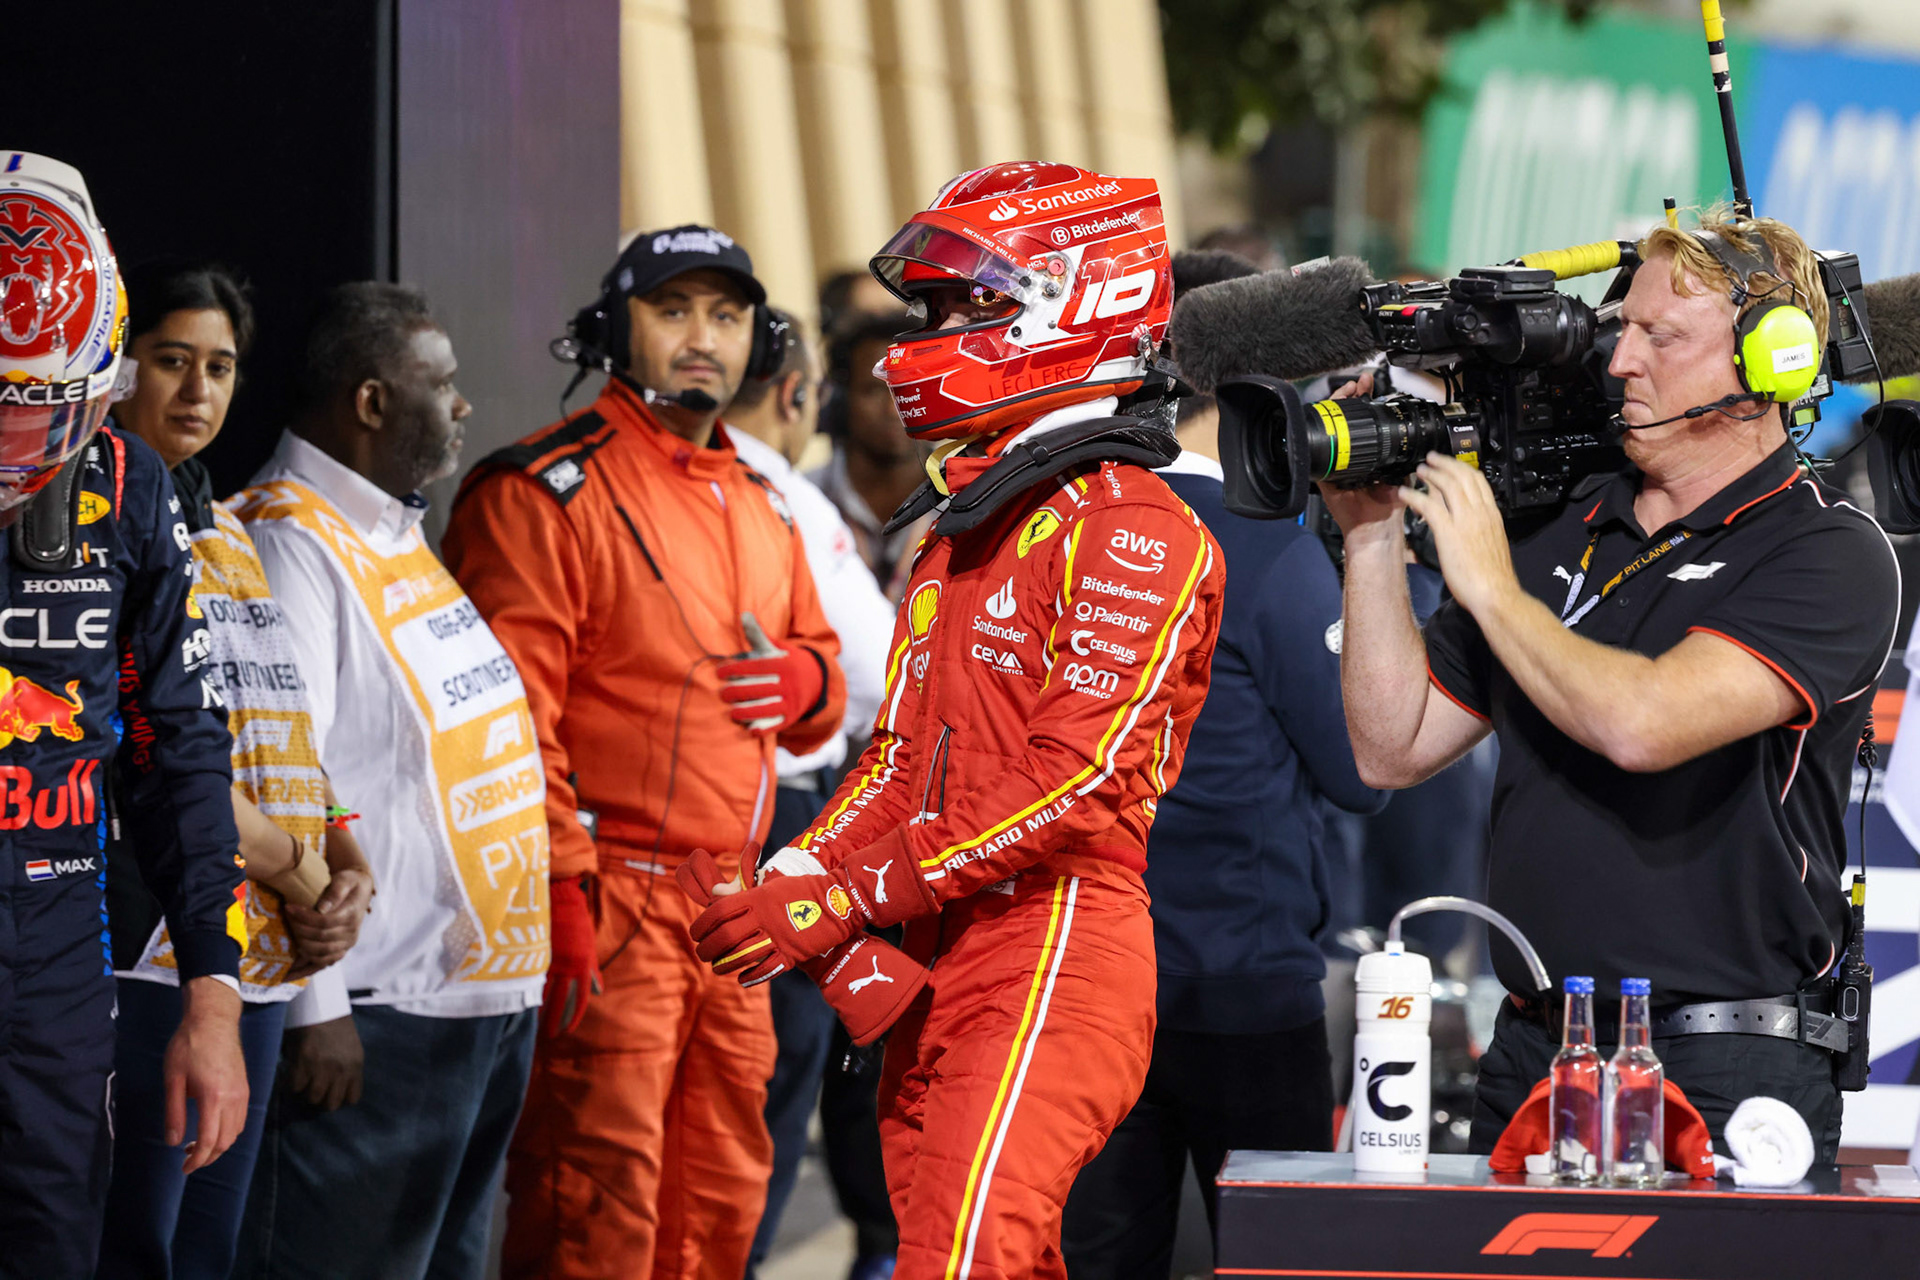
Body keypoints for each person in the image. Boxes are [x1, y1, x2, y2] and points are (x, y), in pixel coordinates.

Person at [682, 161, 1227, 1280]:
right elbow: (898, 758)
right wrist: (793, 872)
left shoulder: (1137, 524)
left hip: (1056, 944)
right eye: (928, 307)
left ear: (1081, 298)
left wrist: (839, 892)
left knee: (969, 1257)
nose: (925, 335)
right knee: (957, 1251)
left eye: (967, 303)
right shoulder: (963, 526)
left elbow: (1068, 784)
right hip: (933, 946)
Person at [1329, 209, 1901, 1161]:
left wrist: (1490, 587)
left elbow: (1645, 723)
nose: (1621, 362)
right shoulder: (1564, 524)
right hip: (1533, 1049)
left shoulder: (1828, 553)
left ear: (1774, 362)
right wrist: (1371, 536)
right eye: (1620, 328)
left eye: (1660, 337)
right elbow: (1391, 746)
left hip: (1727, 1070)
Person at [442, 226, 847, 1280]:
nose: (702, 338)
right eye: (673, 312)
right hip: (611, 896)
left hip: (732, 906)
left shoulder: (762, 501)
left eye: (725, 314)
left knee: (719, 1203)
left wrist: (807, 683)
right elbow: (505, 725)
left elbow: (824, 680)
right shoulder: (539, 490)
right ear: (614, 329)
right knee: (596, 1205)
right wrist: (563, 894)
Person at [1060, 251, 1385, 1278]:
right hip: (1240, 986)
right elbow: (1364, 765)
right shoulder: (1261, 545)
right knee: (1270, 1258)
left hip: (1074, 980)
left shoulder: (1053, 527)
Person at [230, 284, 550, 1280]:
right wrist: (313, 1008)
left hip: (471, 1003)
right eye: (440, 383)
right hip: (378, 1011)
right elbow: (285, 772)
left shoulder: (389, 526)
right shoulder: (290, 540)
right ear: (370, 402)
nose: (462, 405)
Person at [98, 262, 375, 1280]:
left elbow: (277, 727)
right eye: (172, 360)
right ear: (120, 369)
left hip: (256, 946)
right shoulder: (97, 530)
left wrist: (341, 845)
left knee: (207, 1250)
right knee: (143, 1244)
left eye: (219, 366)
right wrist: (300, 869)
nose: (197, 389)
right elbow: (161, 754)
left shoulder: (230, 531)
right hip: (158, 938)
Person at [0, 153, 248, 1280]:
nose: (17, 447)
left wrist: (213, 984)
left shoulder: (128, 485)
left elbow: (179, 746)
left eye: (36, 413)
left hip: (54, 965)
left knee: (52, 1245)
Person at [721, 311, 898, 1279]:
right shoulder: (782, 492)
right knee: (778, 1073)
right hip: (791, 819)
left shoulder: (667, 481)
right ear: (799, 396)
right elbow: (883, 671)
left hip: (667, 837)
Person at [811, 314, 931, 598]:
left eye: (907, 390)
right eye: (873, 391)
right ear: (839, 399)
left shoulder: (968, 496)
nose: (894, 410)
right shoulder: (803, 498)